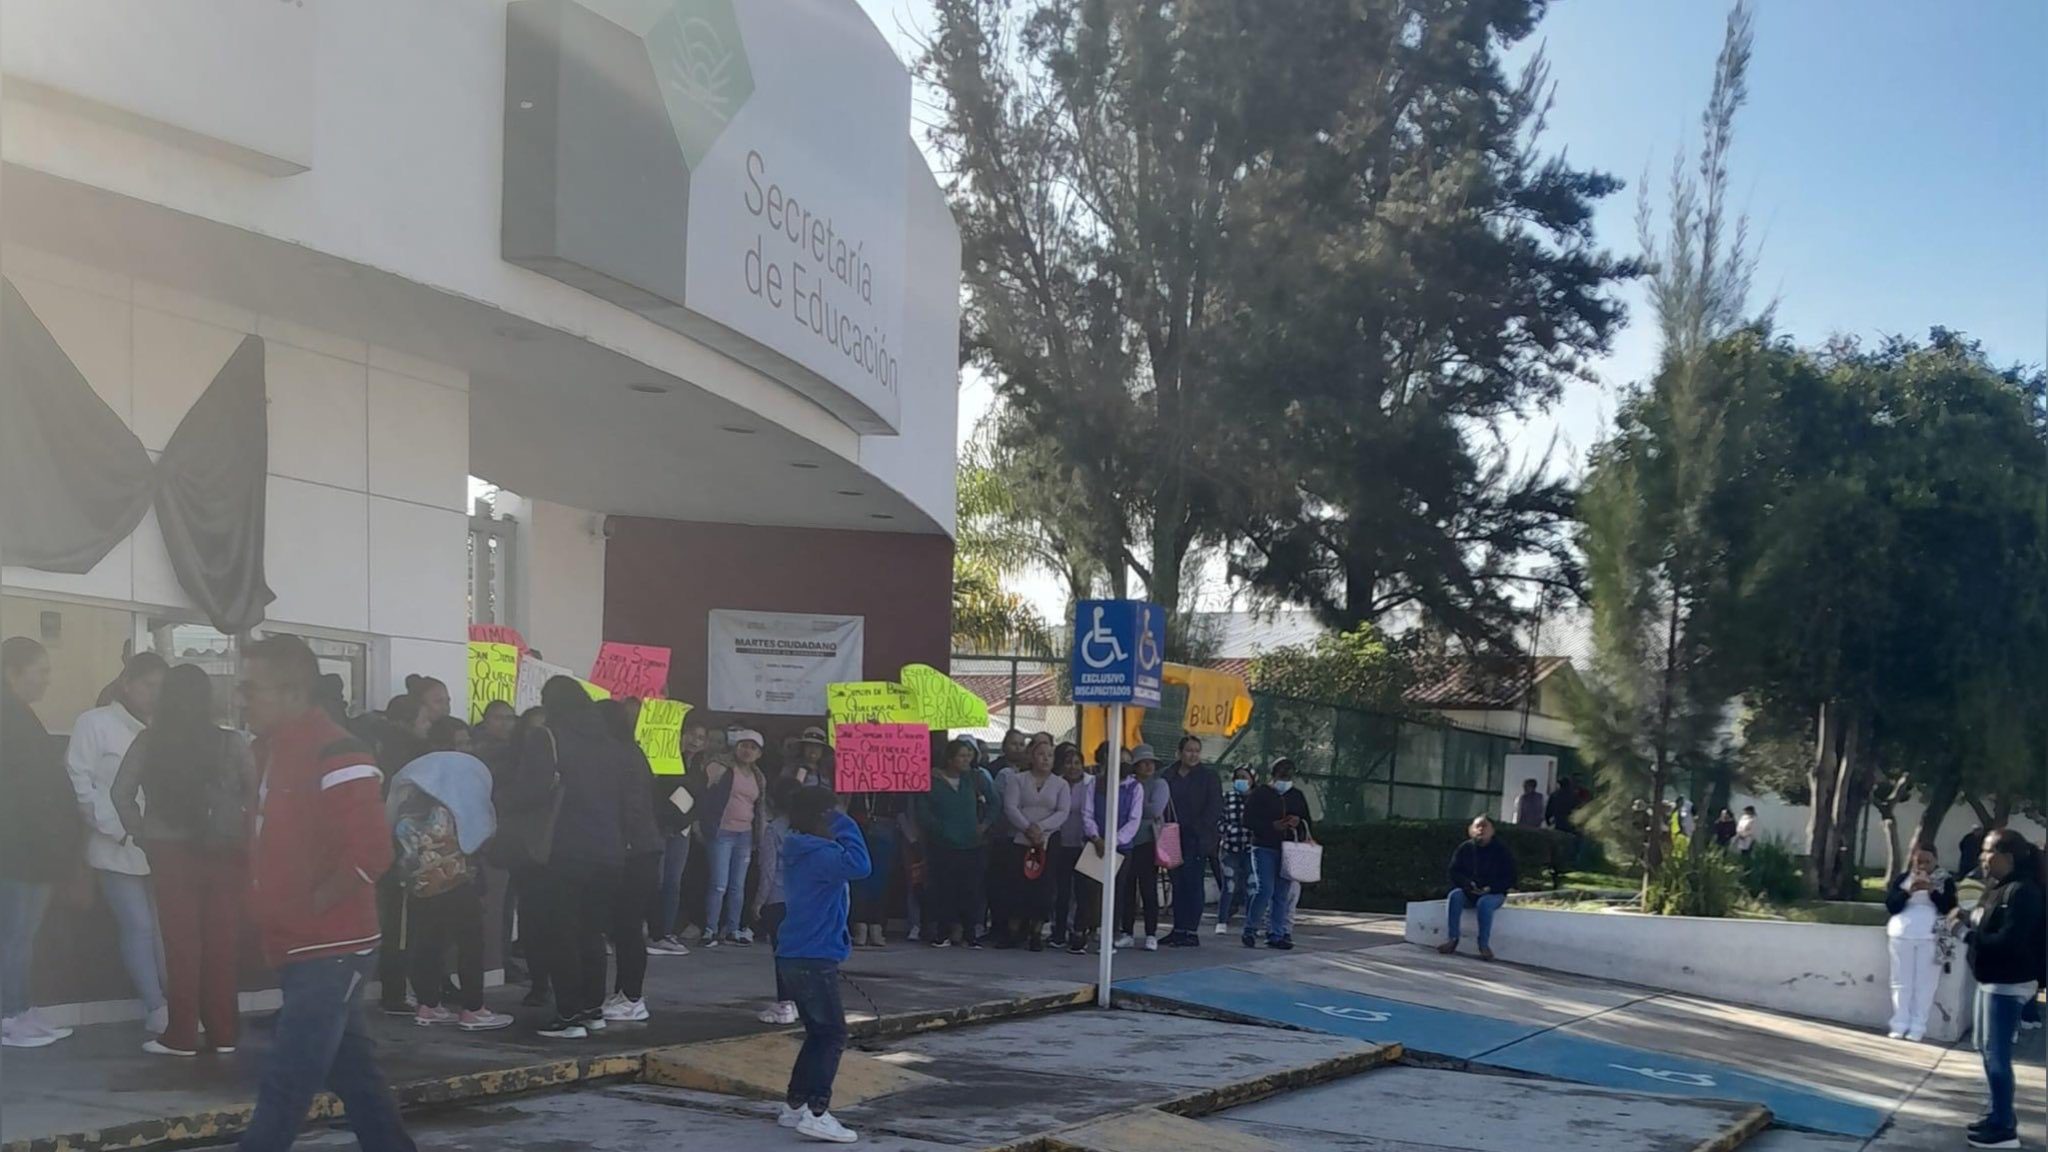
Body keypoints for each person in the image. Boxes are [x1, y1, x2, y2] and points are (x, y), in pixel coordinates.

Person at [234, 634, 415, 1152]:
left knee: (287, 1079)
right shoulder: (267, 751)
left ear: (292, 692)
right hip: (298, 943)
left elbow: (370, 854)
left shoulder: (338, 750)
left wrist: (308, 910)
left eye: (252, 689)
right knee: (355, 1074)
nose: (241, 699)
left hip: (329, 946)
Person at [112, 664, 258, 1056]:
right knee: (223, 940)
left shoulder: (150, 741)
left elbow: (121, 793)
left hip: (170, 851)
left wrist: (142, 833)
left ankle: (181, 1035)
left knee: (181, 944)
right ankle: (224, 1032)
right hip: (225, 851)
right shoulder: (232, 743)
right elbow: (255, 791)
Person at [67, 651, 172, 1034]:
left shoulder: (166, 727)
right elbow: (80, 783)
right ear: (127, 682)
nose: (154, 694)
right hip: (115, 844)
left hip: (161, 844)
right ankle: (155, 1005)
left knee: (165, 928)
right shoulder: (94, 723)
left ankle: (177, 1001)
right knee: (138, 925)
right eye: (148, 685)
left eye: (162, 688)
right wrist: (119, 828)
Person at [523, 677, 634, 1038]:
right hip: (610, 852)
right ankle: (592, 1009)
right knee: (592, 932)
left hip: (565, 849)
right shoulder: (611, 745)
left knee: (561, 932)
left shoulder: (547, 737)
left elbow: (534, 790)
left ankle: (568, 1015)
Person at [386, 746, 510, 1033]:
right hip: (456, 884)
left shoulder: (407, 808)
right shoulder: (451, 808)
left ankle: (428, 1005)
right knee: (470, 944)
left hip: (419, 887)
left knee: (427, 945)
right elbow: (478, 837)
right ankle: (473, 1009)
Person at [771, 786, 871, 1144]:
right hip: (814, 956)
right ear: (823, 817)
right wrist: (844, 822)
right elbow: (862, 865)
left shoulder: (801, 847)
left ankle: (794, 1104)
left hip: (795, 953)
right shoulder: (822, 853)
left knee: (818, 1032)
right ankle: (817, 1109)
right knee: (832, 1033)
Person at [1, 637, 81, 1048]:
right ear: (13, 672)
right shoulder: (8, 719)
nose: (47, 680)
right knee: (12, 935)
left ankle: (19, 1007)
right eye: (41, 671)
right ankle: (7, 1014)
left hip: (35, 850)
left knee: (24, 936)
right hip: (17, 850)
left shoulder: (23, 716)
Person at [1956, 830, 2045, 1149]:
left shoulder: (2022, 893)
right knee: (1985, 1048)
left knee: (1997, 1054)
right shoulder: (1997, 888)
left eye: (1987, 851)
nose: (1982, 857)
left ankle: (2005, 1127)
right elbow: (1986, 925)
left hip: (2008, 982)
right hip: (1990, 979)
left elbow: (2009, 941)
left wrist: (1966, 935)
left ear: (2007, 856)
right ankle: (1996, 1113)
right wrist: (1968, 918)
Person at [591, 699, 660, 1024]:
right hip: (638, 847)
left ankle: (632, 995)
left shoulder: (620, 754)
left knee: (629, 926)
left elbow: (630, 804)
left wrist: (624, 837)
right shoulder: (630, 751)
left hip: (634, 850)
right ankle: (625, 992)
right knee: (624, 926)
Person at [917, 738, 996, 948]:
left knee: (971, 890)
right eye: (962, 755)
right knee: (944, 889)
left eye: (969, 755)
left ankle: (970, 934)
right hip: (942, 845)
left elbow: (994, 802)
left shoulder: (976, 779)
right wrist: (940, 829)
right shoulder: (932, 781)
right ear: (950, 759)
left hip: (972, 844)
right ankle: (943, 932)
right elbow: (923, 811)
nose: (966, 760)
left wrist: (984, 824)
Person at [698, 729, 770, 947]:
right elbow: (706, 793)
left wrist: (760, 834)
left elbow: (760, 807)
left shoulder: (759, 776)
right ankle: (710, 928)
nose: (748, 751)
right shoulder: (721, 766)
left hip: (745, 834)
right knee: (719, 883)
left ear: (759, 754)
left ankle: (732, 928)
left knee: (737, 885)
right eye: (744, 745)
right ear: (736, 747)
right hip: (722, 831)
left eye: (753, 747)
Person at [1000, 737, 1072, 952]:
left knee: (1044, 887)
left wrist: (1041, 828)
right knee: (1016, 885)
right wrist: (1028, 828)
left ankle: (1036, 932)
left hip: (1048, 840)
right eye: (1041, 754)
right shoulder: (1017, 780)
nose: (1045, 759)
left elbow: (1062, 812)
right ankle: (1013, 931)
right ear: (1032, 757)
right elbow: (1011, 807)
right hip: (1021, 839)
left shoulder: (1061, 784)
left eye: (1050, 755)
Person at [1881, 843, 1956, 1042]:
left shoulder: (1944, 880)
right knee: (1900, 982)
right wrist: (1908, 891)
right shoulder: (1903, 879)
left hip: (1931, 935)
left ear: (1935, 861)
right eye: (1918, 861)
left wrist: (1931, 890)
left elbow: (1949, 906)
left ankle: (1918, 1025)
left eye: (1927, 861)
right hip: (1902, 934)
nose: (1922, 865)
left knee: (1925, 984)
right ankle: (1899, 1022)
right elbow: (1891, 905)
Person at [648, 722, 710, 955]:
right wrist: (668, 821)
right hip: (662, 827)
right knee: (657, 880)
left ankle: (666, 931)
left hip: (682, 830)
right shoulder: (666, 761)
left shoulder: (699, 769)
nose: (695, 740)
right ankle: (653, 931)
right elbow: (658, 793)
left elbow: (700, 799)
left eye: (700, 737)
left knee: (673, 882)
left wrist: (686, 822)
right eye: (692, 734)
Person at [1242, 758, 1312, 951]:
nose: (1285, 778)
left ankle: (1276, 933)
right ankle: (1250, 929)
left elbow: (1308, 821)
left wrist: (1297, 821)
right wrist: (1271, 826)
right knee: (1265, 889)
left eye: (1289, 774)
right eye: (1282, 774)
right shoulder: (1261, 794)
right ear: (1274, 774)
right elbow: (1247, 820)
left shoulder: (1296, 795)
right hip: (1264, 846)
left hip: (1288, 848)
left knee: (1282, 892)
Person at [1162, 736, 1223, 947]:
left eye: (1197, 750)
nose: (1193, 754)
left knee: (1193, 883)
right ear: (1179, 752)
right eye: (1189, 750)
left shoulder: (1208, 777)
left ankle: (1190, 930)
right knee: (1177, 882)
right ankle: (1178, 928)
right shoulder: (1168, 775)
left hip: (1196, 837)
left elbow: (1214, 807)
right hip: (1171, 835)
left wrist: (1198, 829)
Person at [1112, 746, 1168, 951]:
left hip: (1148, 841)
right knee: (1127, 887)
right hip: (1127, 841)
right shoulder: (1128, 784)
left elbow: (1155, 810)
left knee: (1148, 887)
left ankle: (1151, 933)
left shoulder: (1159, 784)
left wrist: (1135, 806)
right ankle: (1127, 931)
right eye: (1143, 762)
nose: (1148, 766)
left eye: (1151, 762)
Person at [1438, 815, 1516, 961]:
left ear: (1492, 831)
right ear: (1471, 830)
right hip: (1470, 892)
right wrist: (1467, 885)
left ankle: (1483, 945)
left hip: (1494, 893)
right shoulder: (1465, 848)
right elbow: (1454, 871)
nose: (1481, 830)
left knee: (1484, 904)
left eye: (1484, 826)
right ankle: (1452, 939)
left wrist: (1490, 888)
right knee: (1455, 896)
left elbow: (1510, 877)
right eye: (1477, 826)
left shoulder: (1501, 851)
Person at [753, 778, 799, 1025]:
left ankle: (785, 1004)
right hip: (802, 898)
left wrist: (758, 901)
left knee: (781, 954)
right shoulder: (809, 830)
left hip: (778, 897)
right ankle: (798, 1001)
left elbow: (768, 871)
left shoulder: (774, 830)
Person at [981, 729, 1030, 946]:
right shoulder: (995, 771)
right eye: (1013, 743)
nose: (1017, 748)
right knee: (999, 885)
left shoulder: (1032, 771)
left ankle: (1020, 928)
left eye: (1021, 744)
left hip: (1026, 837)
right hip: (1002, 836)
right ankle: (998, 927)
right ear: (1004, 746)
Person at [1047, 743, 1093, 952]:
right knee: (1062, 890)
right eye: (1068, 762)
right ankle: (1059, 931)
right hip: (1062, 843)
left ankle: (1079, 931)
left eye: (1077, 763)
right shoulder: (1057, 784)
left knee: (1083, 891)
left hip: (1084, 844)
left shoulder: (1090, 785)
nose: (1073, 767)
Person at [1215, 766, 1257, 937]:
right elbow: (1218, 821)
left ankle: (1251, 923)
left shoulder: (1256, 799)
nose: (1241, 780)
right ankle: (1222, 921)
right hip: (1229, 849)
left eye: (1245, 777)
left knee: (1252, 886)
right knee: (1229, 886)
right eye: (1238, 777)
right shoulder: (1227, 797)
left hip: (1250, 849)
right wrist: (1229, 830)